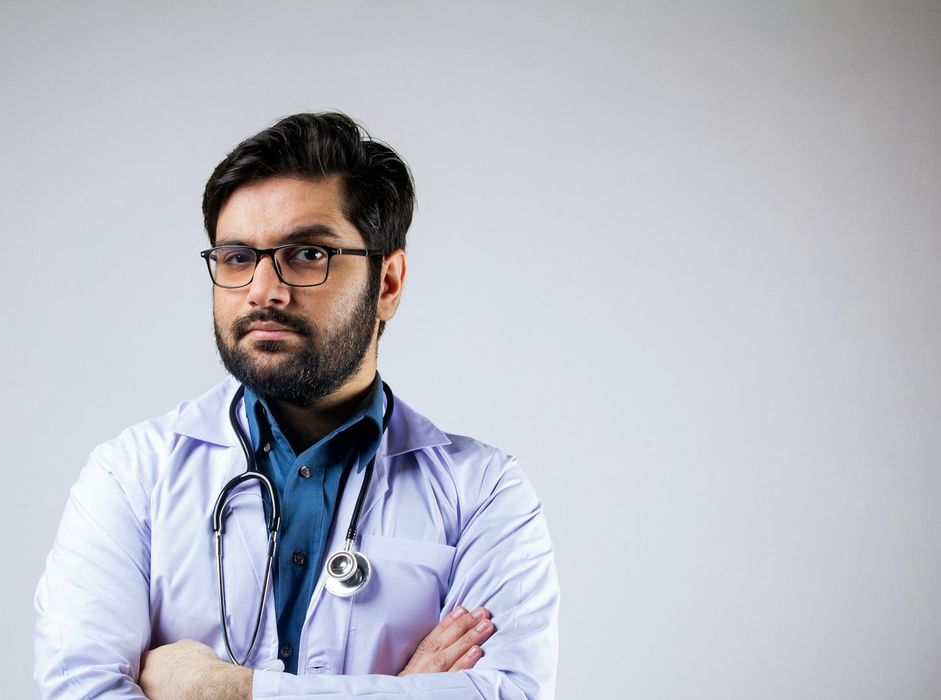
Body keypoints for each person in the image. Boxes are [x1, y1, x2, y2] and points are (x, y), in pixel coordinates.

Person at [34, 113, 560, 699]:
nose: (263, 289)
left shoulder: (483, 492)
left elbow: (507, 694)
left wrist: (224, 691)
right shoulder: (131, 476)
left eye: (308, 253)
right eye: (237, 257)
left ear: (387, 282)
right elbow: (79, 691)